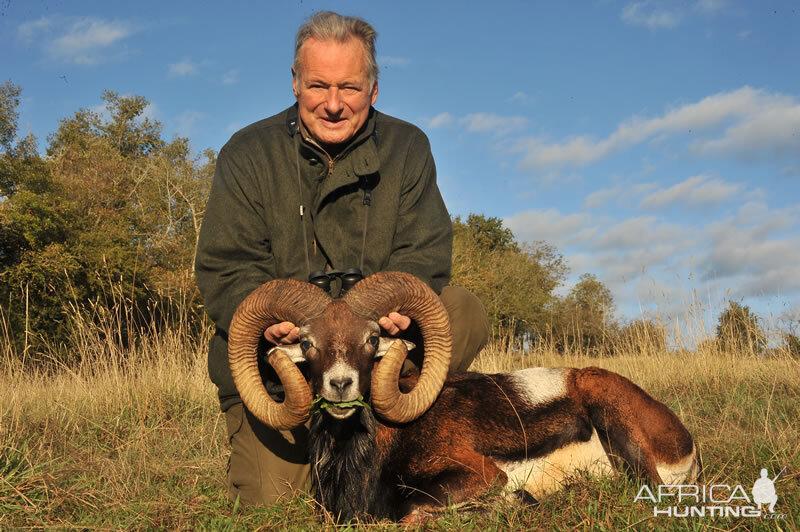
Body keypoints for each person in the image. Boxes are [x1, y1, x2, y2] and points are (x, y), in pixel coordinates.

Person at [195, 11, 489, 506]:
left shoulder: (408, 147)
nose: (333, 104)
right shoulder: (247, 154)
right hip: (288, 364)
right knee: (275, 505)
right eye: (318, 86)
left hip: (373, 351)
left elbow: (425, 250)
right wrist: (268, 322)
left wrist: (397, 306)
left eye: (350, 88)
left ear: (373, 90)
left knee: (460, 309)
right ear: (294, 83)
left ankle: (401, 423)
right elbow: (226, 267)